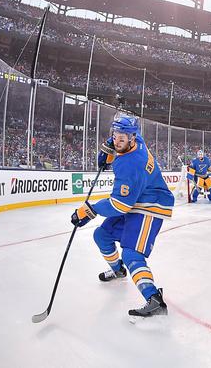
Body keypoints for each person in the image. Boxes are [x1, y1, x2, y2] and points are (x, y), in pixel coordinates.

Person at [70, 114, 174, 319]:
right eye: (115, 136)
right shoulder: (136, 139)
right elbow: (115, 141)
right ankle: (118, 271)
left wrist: (89, 210)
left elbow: (119, 206)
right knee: (102, 235)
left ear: (132, 138)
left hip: (150, 205)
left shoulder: (131, 164)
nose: (117, 141)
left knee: (131, 254)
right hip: (136, 199)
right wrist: (108, 148)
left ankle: (155, 300)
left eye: (121, 138)